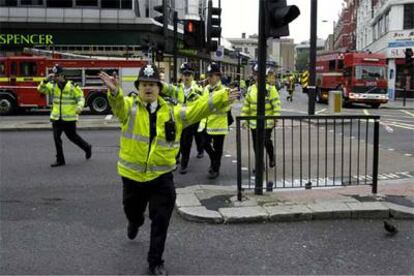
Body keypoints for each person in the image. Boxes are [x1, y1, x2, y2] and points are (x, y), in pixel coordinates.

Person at [99, 64, 238, 275]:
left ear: (159, 88)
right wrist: (114, 92)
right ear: (138, 87)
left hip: (161, 178)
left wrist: (221, 98)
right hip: (133, 177)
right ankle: (135, 222)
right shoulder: (129, 108)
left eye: (152, 84)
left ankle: (155, 262)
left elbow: (199, 108)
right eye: (144, 84)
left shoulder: (174, 113)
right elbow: (118, 106)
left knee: (161, 220)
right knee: (132, 211)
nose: (148, 88)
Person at [37, 64, 92, 167]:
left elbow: (81, 98)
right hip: (56, 118)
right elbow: (40, 89)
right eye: (54, 75)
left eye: (57, 75)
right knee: (56, 138)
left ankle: (87, 147)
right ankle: (60, 160)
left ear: (62, 75)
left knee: (73, 137)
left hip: (69, 118)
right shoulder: (52, 85)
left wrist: (80, 107)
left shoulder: (72, 86)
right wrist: (45, 80)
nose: (55, 77)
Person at [241, 67, 281, 168]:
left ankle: (271, 157)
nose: (257, 76)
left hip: (268, 122)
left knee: (266, 141)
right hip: (254, 123)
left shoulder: (271, 89)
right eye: (255, 73)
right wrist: (244, 120)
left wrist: (276, 118)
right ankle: (260, 164)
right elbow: (246, 106)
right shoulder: (250, 89)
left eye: (259, 74)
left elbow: (276, 104)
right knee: (256, 144)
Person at [198, 62, 233, 179]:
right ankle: (214, 161)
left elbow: (228, 107)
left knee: (218, 149)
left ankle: (215, 169)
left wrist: (217, 103)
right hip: (206, 122)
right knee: (204, 143)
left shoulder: (225, 90)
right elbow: (203, 104)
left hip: (219, 124)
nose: (209, 78)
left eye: (211, 75)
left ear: (218, 76)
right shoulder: (206, 89)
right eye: (208, 75)